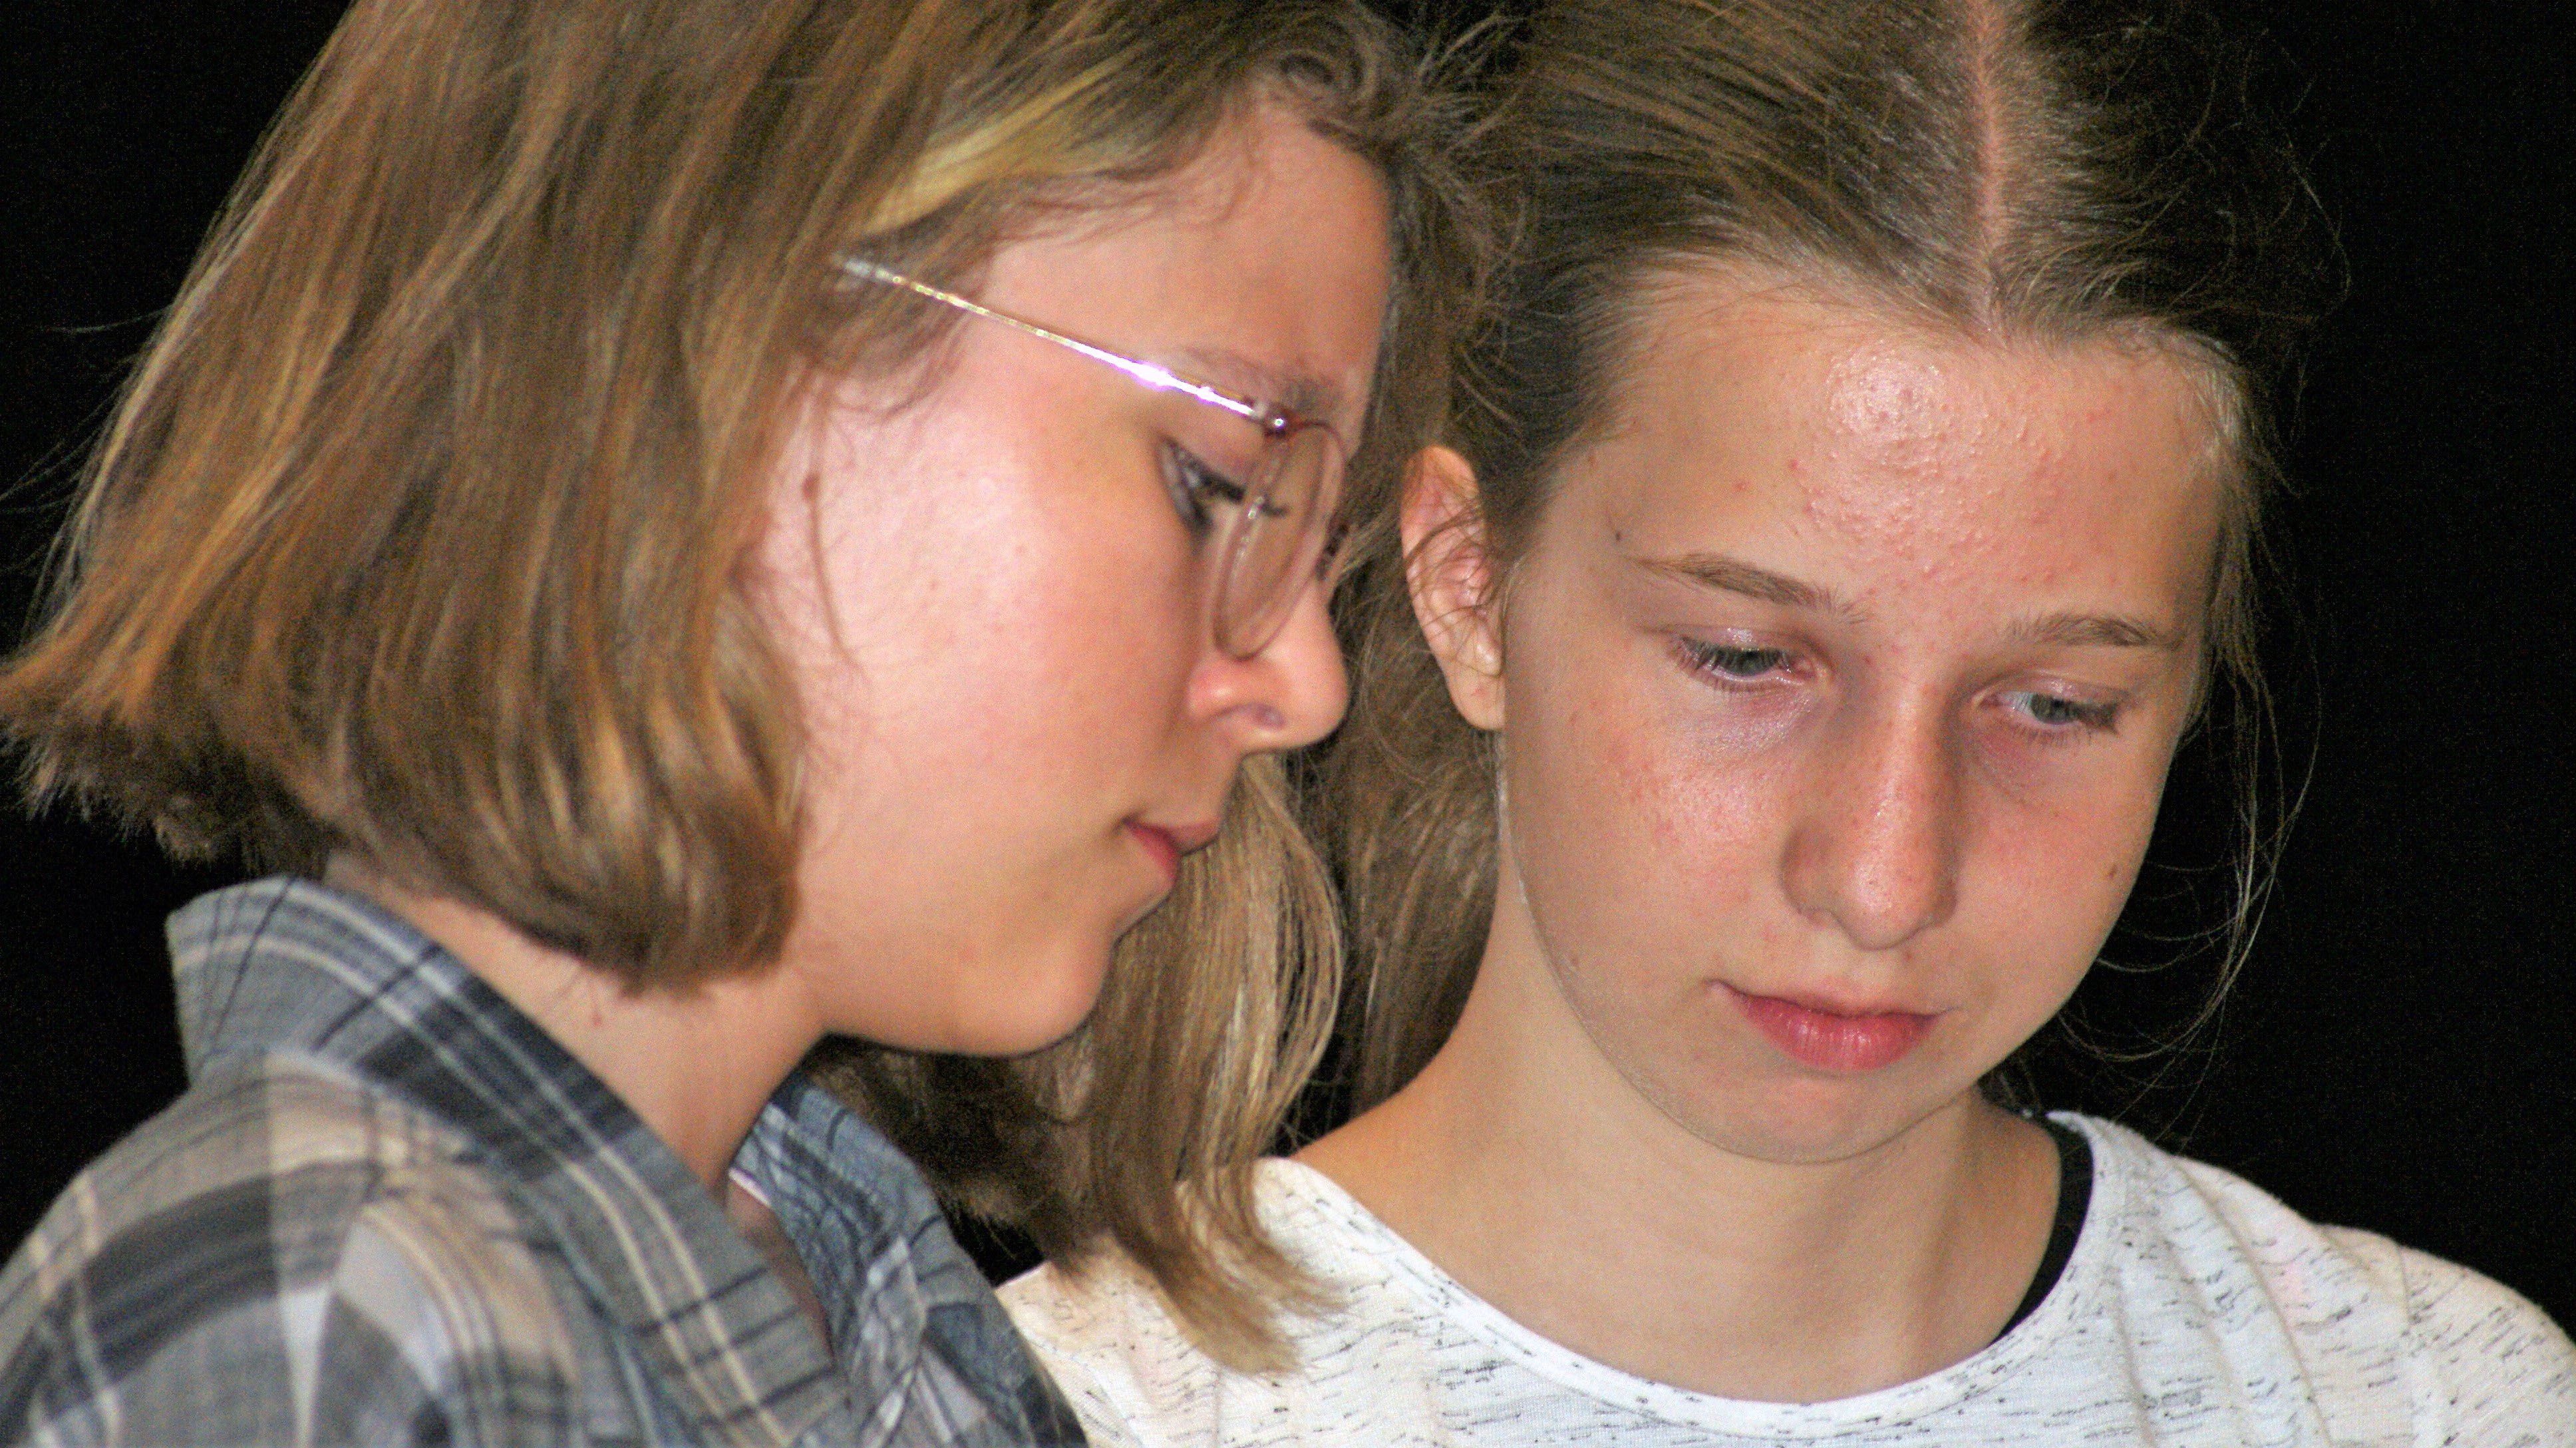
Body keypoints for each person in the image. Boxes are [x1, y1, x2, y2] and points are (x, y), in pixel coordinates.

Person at [998, 0, 2576, 1443]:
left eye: (2053, 703)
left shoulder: (2433, 1402)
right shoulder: (1052, 1410)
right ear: (1468, 586)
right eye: (1747, 659)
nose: (1884, 879)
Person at [0, 0, 1478, 1441]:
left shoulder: (880, 1320)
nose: (1307, 682)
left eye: (1317, 546)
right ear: (726, 346)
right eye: (1222, 482)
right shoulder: (325, 1327)